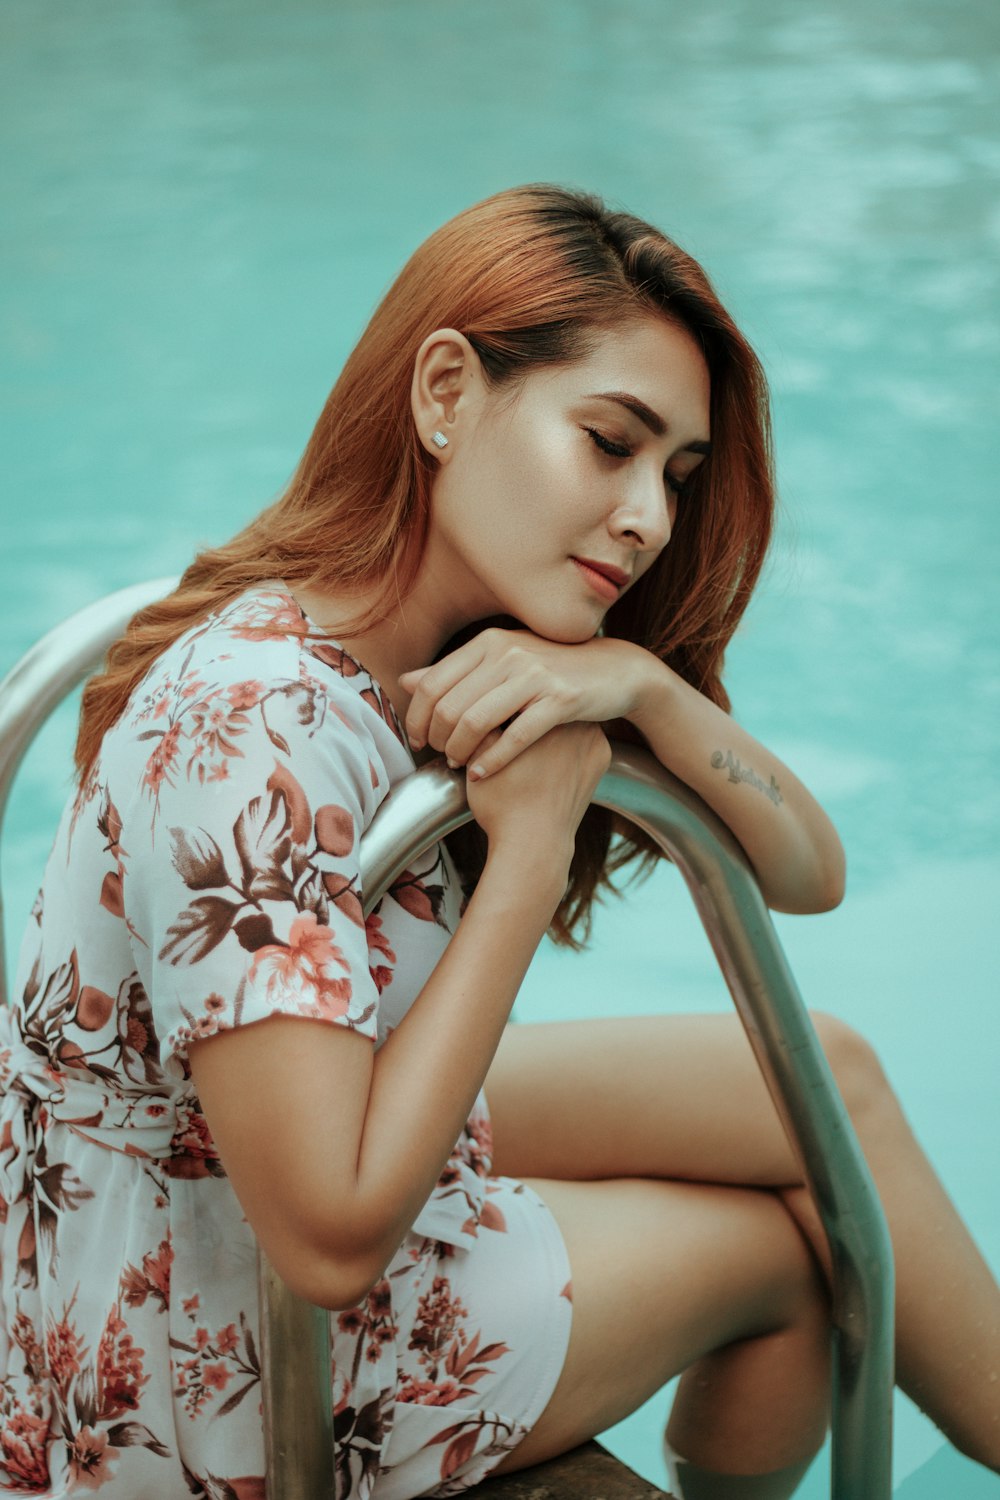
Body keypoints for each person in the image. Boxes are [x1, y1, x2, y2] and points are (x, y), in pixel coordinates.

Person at [1, 185, 997, 1500]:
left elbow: (808, 874)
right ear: (446, 394)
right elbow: (331, 1240)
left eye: (678, 477)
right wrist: (524, 864)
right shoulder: (258, 732)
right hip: (200, 1366)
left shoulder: (450, 654)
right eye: (609, 443)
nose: (649, 517)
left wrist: (644, 693)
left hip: (222, 1170)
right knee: (787, 1256)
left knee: (832, 1081)